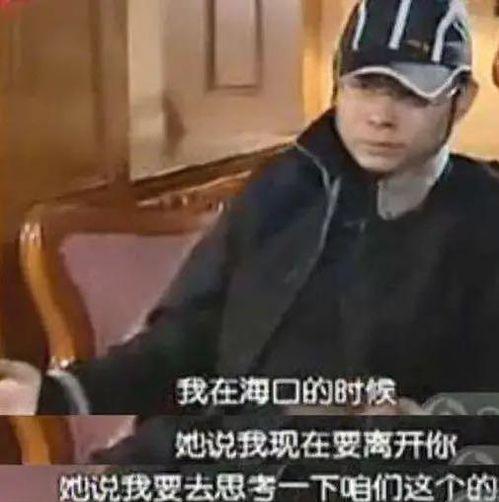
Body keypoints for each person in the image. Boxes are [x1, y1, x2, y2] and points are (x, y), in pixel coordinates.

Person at [1, 0, 498, 420]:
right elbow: (186, 341)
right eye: (365, 85)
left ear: (461, 101)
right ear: (338, 85)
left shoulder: (483, 219)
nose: (380, 117)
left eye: (412, 95)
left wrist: (431, 421)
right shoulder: (282, 188)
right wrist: (56, 392)